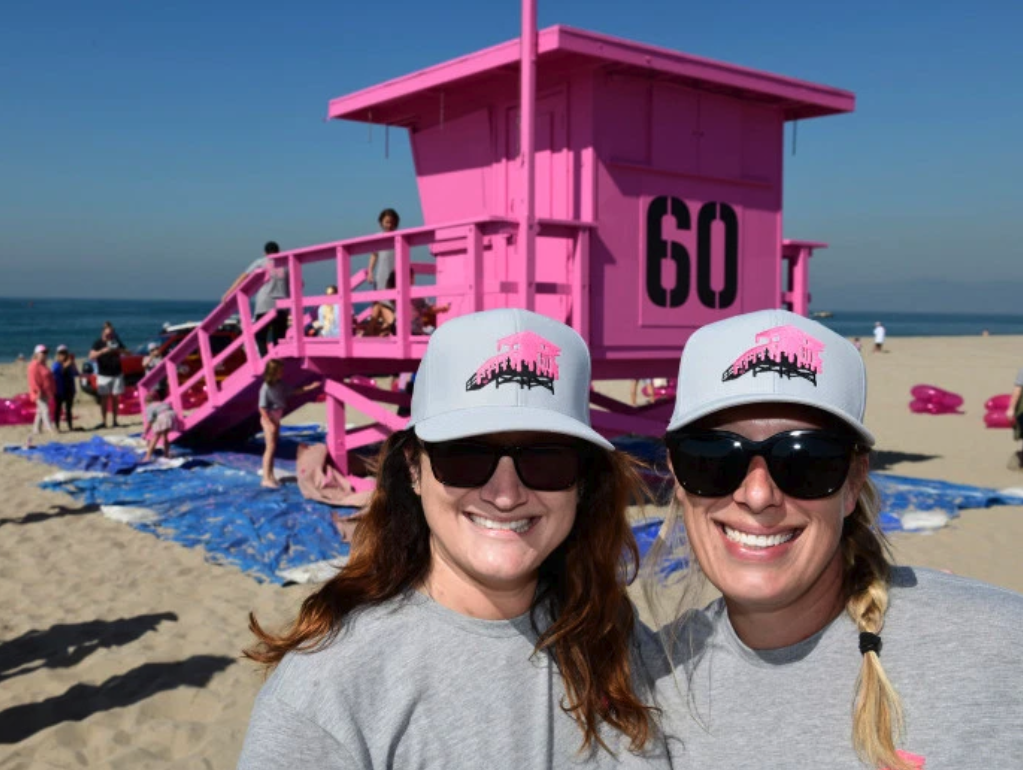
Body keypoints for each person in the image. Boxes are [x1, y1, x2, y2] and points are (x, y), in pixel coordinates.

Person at [238, 308, 668, 769]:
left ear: (583, 481)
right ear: (413, 470)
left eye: (546, 459)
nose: (506, 496)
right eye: (465, 457)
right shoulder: (330, 691)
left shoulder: (608, 630)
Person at [642, 309, 1023, 769]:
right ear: (677, 476)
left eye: (806, 461)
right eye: (714, 458)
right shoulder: (649, 681)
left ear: (853, 482)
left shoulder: (999, 650)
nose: (758, 496)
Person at [257, 360, 320, 489]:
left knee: (273, 448)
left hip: (276, 417)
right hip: (269, 418)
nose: (282, 373)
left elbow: (294, 391)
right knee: (270, 448)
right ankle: (266, 478)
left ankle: (271, 475)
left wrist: (310, 387)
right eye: (279, 371)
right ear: (273, 373)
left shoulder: (280, 384)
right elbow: (262, 408)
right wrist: (270, 424)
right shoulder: (266, 387)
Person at [225, 241, 290, 357]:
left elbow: (244, 276)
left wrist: (229, 292)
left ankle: (266, 361)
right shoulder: (286, 264)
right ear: (279, 251)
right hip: (282, 305)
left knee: (260, 335)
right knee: (279, 337)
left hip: (265, 303)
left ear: (265, 252)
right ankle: (277, 363)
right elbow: (298, 283)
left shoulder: (261, 262)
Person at [89, 324, 125, 428]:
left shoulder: (116, 342)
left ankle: (114, 421)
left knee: (115, 398)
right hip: (104, 374)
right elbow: (91, 356)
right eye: (107, 334)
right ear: (103, 332)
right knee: (104, 399)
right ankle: (104, 421)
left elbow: (128, 353)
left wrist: (118, 350)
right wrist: (102, 351)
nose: (109, 336)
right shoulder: (98, 343)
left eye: (111, 334)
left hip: (116, 373)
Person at [142, 391, 180, 462]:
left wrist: (145, 432)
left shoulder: (149, 407)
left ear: (147, 402)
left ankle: (147, 456)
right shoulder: (163, 403)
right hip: (171, 415)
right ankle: (166, 455)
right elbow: (170, 409)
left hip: (162, 416)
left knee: (156, 436)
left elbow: (150, 421)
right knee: (165, 436)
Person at [27, 344, 56, 435]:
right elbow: (32, 379)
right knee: (45, 409)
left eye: (46, 352)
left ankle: (36, 429)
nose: (45, 354)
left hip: (46, 391)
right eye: (43, 352)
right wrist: (37, 390)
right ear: (37, 354)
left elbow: (47, 377)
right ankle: (49, 427)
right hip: (39, 392)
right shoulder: (34, 365)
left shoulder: (43, 365)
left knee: (40, 411)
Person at [51, 344, 78, 432]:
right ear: (58, 354)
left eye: (64, 353)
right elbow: (56, 373)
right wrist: (65, 365)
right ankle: (57, 426)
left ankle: (70, 426)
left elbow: (76, 373)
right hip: (59, 389)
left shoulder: (70, 363)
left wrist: (73, 364)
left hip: (69, 388)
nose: (63, 355)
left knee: (68, 409)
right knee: (58, 408)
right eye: (61, 353)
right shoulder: (56, 364)